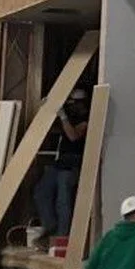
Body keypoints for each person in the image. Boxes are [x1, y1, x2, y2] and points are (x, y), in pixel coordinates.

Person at [34, 89, 90, 238]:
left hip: (73, 165)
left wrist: (63, 117)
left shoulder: (86, 118)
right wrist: (47, 110)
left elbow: (73, 136)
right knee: (41, 192)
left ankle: (62, 236)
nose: (72, 106)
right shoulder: (70, 116)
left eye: (75, 103)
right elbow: (54, 129)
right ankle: (50, 227)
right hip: (60, 162)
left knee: (63, 200)